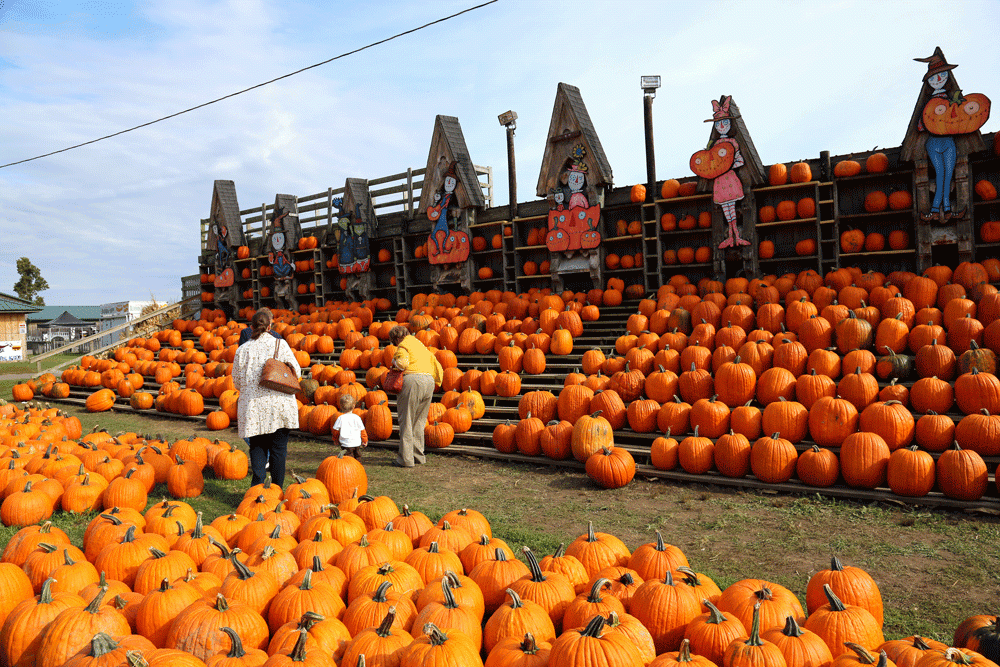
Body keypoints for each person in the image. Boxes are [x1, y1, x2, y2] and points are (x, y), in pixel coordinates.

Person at [231, 308, 300, 486]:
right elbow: (296, 372)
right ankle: (277, 488)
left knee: (258, 447)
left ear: (252, 327)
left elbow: (237, 381)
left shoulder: (242, 350)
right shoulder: (280, 344)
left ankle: (258, 487)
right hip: (280, 405)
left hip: (254, 408)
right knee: (278, 450)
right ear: (270, 326)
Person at [388, 325, 442, 468]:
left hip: (412, 381)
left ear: (397, 338)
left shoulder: (403, 346)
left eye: (394, 342)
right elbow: (436, 363)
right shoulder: (419, 344)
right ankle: (418, 456)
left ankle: (405, 459)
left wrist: (394, 362)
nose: (395, 345)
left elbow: (402, 363)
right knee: (419, 421)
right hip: (429, 381)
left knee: (406, 420)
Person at [332, 394, 367, 460]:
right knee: (357, 455)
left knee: (348, 458)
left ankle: (351, 468)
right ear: (353, 406)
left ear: (341, 407)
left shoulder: (340, 418)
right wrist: (364, 440)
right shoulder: (357, 418)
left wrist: (335, 439)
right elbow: (362, 430)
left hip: (346, 443)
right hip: (356, 442)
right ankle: (358, 466)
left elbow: (335, 431)